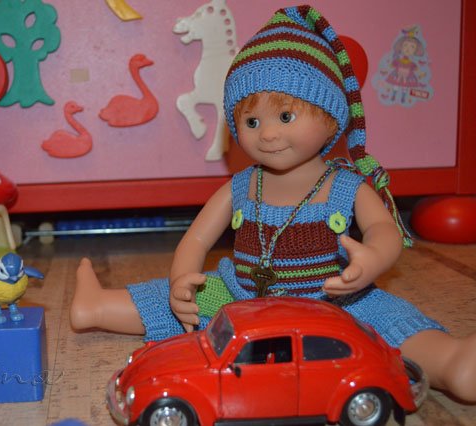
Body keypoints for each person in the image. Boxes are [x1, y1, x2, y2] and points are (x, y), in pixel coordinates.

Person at [70, 5, 476, 401]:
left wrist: (372, 259)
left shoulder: (344, 185)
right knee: (173, 303)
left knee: (388, 322)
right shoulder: (242, 186)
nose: (266, 134)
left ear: (331, 118)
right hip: (243, 297)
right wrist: (181, 279)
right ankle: (97, 306)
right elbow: (196, 239)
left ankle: (453, 363)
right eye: (251, 122)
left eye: (284, 117)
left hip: (333, 301)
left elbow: (384, 229)